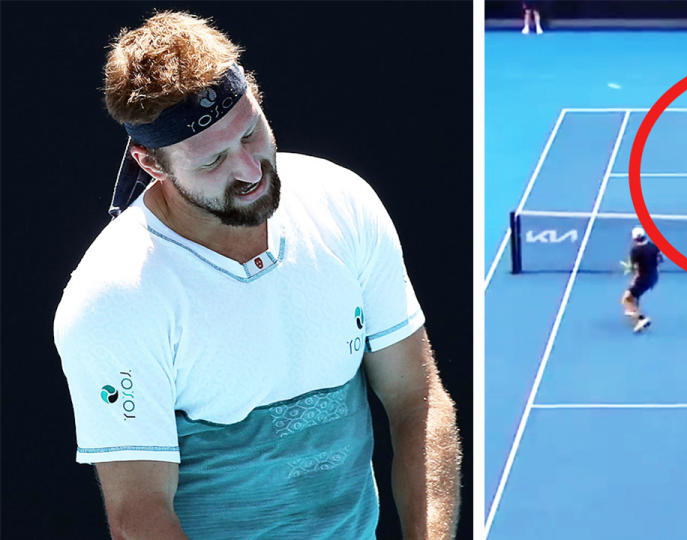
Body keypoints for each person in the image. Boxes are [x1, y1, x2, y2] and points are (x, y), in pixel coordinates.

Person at [52, 11, 461, 540]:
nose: (248, 170)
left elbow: (417, 399)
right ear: (152, 164)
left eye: (250, 133)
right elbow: (140, 512)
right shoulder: (111, 299)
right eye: (213, 160)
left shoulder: (346, 204)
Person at [620, 226, 663, 333]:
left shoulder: (635, 251)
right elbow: (661, 259)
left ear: (634, 239)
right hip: (654, 277)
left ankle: (641, 318)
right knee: (635, 296)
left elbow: (634, 268)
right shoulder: (653, 246)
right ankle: (634, 313)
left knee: (626, 299)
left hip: (643, 279)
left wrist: (629, 270)